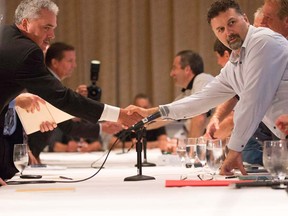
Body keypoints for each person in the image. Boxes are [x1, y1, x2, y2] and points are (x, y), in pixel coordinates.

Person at [131, 0, 288, 176]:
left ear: (245, 18)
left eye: (231, 23)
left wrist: (234, 149)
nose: (228, 33)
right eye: (220, 30)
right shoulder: (234, 65)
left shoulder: (263, 41)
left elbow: (252, 101)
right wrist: (151, 113)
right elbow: (201, 100)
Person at [0, 0, 141, 181]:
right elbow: (65, 98)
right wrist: (118, 114)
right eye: (46, 28)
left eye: (53, 28)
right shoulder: (27, 52)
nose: (52, 35)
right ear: (26, 23)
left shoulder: (5, 35)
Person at [28, 42, 122, 158]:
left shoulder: (52, 83)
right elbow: (68, 126)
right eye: (70, 61)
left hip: (32, 150)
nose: (74, 65)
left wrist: (102, 127)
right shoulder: (47, 84)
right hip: (27, 147)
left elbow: (65, 122)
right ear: (55, 63)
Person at [170, 50, 214, 138]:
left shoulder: (202, 79)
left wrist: (191, 148)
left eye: (174, 68)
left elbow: (200, 118)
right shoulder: (188, 92)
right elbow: (165, 114)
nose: (171, 74)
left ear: (187, 69)